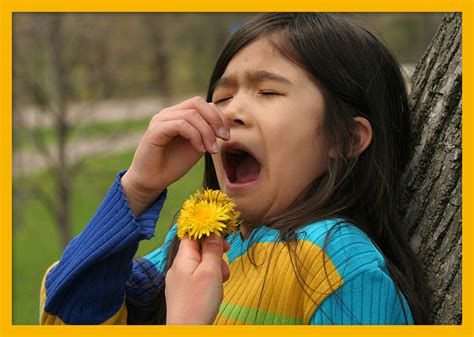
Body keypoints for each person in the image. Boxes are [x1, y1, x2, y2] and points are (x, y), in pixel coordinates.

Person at [40, 12, 431, 325]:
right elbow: (74, 313)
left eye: (268, 92)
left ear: (345, 139)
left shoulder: (339, 264)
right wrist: (138, 188)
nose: (231, 113)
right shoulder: (198, 244)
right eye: (223, 96)